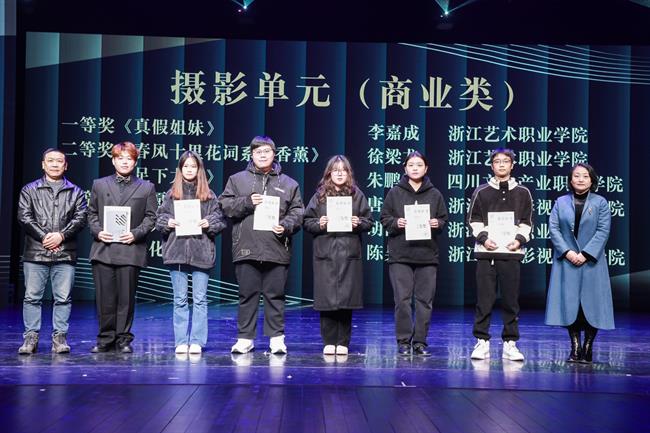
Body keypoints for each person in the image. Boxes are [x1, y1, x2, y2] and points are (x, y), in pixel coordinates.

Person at [219, 136, 304, 355]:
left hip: (277, 247)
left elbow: (298, 212)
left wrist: (286, 225)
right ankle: (245, 339)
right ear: (252, 155)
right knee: (247, 295)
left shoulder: (289, 183)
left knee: (275, 295)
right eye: (258, 152)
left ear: (274, 154)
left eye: (267, 151)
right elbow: (225, 205)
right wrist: (247, 202)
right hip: (246, 247)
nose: (263, 155)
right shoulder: (237, 180)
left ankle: (277, 339)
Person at [87, 141, 157, 353]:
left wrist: (135, 234)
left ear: (135, 162)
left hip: (130, 249)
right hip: (104, 248)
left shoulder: (146, 187)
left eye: (129, 158)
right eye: (120, 158)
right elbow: (91, 213)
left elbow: (151, 217)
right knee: (105, 299)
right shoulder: (99, 184)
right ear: (113, 160)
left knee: (126, 299)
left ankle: (123, 340)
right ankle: (105, 339)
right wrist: (98, 231)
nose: (125, 162)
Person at [16, 148, 87, 354]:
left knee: (63, 298)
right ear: (43, 164)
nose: (55, 164)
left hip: (65, 252)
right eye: (50, 161)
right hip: (36, 252)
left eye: (59, 161)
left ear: (66, 165)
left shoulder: (76, 192)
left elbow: (80, 219)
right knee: (32, 297)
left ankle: (59, 337)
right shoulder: (29, 189)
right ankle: (30, 338)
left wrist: (61, 236)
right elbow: (24, 217)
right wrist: (45, 237)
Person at [156, 151, 226, 355]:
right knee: (179, 299)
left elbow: (220, 220)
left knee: (200, 299)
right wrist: (168, 222)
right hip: (176, 252)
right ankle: (181, 341)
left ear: (199, 169)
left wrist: (209, 222)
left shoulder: (209, 195)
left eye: (193, 166)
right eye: (185, 166)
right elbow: (159, 219)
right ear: (180, 169)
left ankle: (196, 341)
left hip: (201, 252)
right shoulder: (171, 194)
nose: (189, 169)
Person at [380, 151, 448, 356]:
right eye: (411, 165)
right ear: (405, 168)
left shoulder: (435, 194)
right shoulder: (395, 192)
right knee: (402, 300)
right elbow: (384, 218)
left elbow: (444, 219)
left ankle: (420, 342)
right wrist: (396, 222)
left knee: (424, 301)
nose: (415, 168)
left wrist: (437, 223)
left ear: (426, 169)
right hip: (400, 254)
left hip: (427, 255)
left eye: (419, 165)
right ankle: (403, 341)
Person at [303, 155, 373, 355]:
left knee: (346, 300)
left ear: (348, 173)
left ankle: (343, 342)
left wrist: (358, 222)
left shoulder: (356, 194)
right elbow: (306, 221)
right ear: (329, 174)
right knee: (326, 300)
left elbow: (369, 221)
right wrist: (319, 223)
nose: (339, 173)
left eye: (343, 170)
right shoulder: (319, 196)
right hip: (325, 253)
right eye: (335, 170)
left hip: (348, 253)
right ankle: (328, 341)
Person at [545, 163, 614, 363]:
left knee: (592, 306)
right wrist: (567, 252)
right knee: (570, 305)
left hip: (592, 262)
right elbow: (554, 229)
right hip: (567, 261)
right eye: (576, 176)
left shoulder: (600, 202)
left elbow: (603, 231)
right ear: (570, 179)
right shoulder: (560, 202)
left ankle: (588, 346)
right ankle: (575, 347)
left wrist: (585, 254)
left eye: (585, 176)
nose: (581, 179)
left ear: (592, 180)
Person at [468, 148, 532, 361]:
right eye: (497, 161)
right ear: (491, 165)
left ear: (512, 165)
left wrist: (519, 240)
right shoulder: (481, 191)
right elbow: (474, 220)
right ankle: (482, 342)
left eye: (506, 161)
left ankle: (510, 343)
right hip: (487, 253)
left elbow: (527, 221)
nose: (502, 165)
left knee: (511, 301)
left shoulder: (523, 192)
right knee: (484, 300)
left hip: (511, 253)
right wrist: (484, 239)